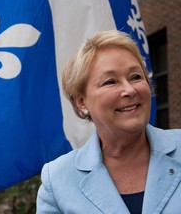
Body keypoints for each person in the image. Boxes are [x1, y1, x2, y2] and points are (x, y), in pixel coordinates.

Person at [36, 30, 181, 214]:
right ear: (81, 102)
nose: (129, 90)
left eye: (136, 77)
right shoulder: (57, 180)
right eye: (110, 81)